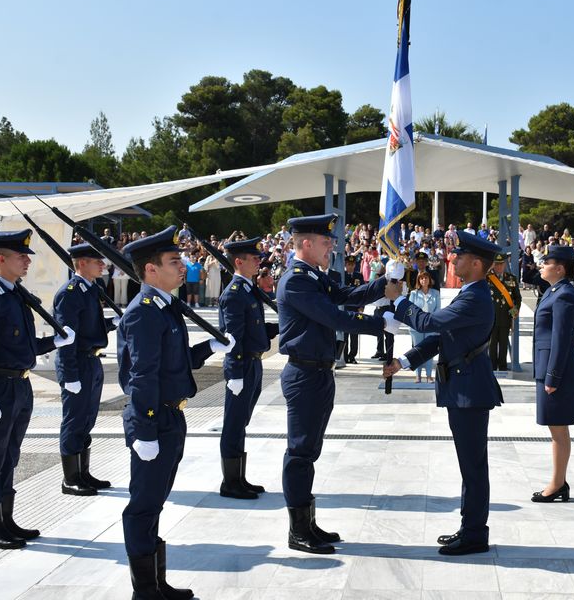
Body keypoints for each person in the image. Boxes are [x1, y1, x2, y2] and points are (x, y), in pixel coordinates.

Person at [118, 226, 235, 598]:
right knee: (143, 506)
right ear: (151, 270)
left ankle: (156, 583)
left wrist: (208, 349)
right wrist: (145, 430)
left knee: (155, 502)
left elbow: (174, 363)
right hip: (154, 419)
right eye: (174, 261)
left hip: (171, 417)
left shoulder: (165, 307)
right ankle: (144, 590)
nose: (182, 266)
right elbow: (142, 376)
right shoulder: (144, 313)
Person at [277, 214, 400, 555]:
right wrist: (379, 324)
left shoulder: (314, 276)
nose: (331, 246)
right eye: (325, 241)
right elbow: (333, 316)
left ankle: (308, 522)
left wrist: (382, 282)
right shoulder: (297, 281)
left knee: (310, 451)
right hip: (304, 374)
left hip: (318, 373)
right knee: (300, 453)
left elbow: (345, 294)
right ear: (305, 243)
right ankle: (298, 530)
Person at [383, 232, 504, 556]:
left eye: (460, 257)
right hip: (463, 389)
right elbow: (441, 338)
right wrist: (404, 361)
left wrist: (400, 300)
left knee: (473, 467)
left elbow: (429, 322)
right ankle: (470, 528)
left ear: (476, 264)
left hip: (469, 392)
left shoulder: (475, 297)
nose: (453, 259)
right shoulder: (470, 293)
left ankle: (475, 534)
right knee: (470, 465)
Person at [0, 230, 76, 549]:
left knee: (9, 456)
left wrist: (53, 342)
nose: (27, 261)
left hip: (20, 386)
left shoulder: (15, 294)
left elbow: (23, 346)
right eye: (21, 256)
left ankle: (6, 520)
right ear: (0, 259)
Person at [217, 237, 279, 499]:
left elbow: (254, 328)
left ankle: (239, 478)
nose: (258, 262)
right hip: (242, 366)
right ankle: (230, 482)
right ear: (239, 262)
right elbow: (233, 337)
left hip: (254, 362)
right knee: (233, 424)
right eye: (254, 259)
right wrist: (234, 373)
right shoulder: (234, 293)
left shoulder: (247, 289)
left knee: (241, 421)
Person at [53, 243, 117, 497]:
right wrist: (69, 375)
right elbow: (66, 337)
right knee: (74, 420)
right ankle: (70, 478)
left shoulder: (90, 289)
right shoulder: (70, 293)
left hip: (91, 361)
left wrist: (112, 323)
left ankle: (83, 472)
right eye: (96, 261)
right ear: (81, 263)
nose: (102, 264)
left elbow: (90, 327)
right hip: (77, 363)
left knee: (87, 419)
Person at [530, 245, 574, 503]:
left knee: (558, 429)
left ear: (559, 269)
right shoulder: (555, 291)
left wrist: (552, 376)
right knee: (555, 428)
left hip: (557, 371)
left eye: (546, 262)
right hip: (549, 367)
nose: (541, 265)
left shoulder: (565, 294)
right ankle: (559, 481)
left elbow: (561, 339)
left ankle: (557, 484)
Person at [487, 253, 521, 372]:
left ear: (505, 264)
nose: (499, 267)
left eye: (501, 264)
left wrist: (514, 313)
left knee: (503, 343)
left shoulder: (511, 278)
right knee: (492, 344)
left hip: (505, 317)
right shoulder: (487, 278)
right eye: (496, 264)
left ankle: (502, 367)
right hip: (491, 317)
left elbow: (517, 298)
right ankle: (491, 368)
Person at [407, 271, 440, 382]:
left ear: (429, 280)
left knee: (429, 350)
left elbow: (438, 310)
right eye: (421, 278)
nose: (424, 280)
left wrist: (430, 321)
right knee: (418, 350)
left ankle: (429, 375)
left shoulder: (435, 293)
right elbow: (410, 310)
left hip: (430, 325)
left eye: (426, 278)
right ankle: (418, 375)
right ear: (419, 281)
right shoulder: (414, 294)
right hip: (417, 326)